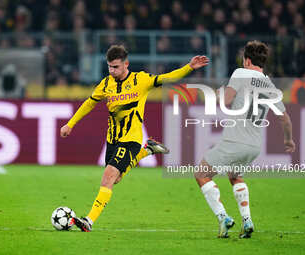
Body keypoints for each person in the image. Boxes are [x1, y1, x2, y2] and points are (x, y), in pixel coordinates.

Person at [60, 45, 209, 232]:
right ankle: (147, 150)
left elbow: (167, 78)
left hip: (131, 138)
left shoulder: (140, 80)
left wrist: (189, 67)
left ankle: (89, 220)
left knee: (108, 176)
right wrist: (70, 123)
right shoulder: (106, 84)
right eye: (109, 67)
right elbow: (89, 103)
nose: (112, 71)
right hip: (112, 139)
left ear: (126, 64)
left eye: (115, 67)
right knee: (116, 179)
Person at [194, 40, 295, 238]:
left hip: (235, 141)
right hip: (254, 145)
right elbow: (285, 118)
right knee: (234, 175)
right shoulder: (269, 83)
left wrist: (216, 94)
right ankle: (247, 221)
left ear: (247, 60)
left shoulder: (240, 73)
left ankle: (223, 217)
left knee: (201, 174)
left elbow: (226, 100)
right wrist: (289, 140)